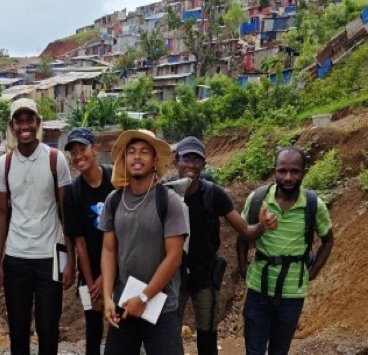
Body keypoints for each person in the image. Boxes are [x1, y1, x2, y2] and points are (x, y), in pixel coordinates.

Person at [173, 136, 275, 355]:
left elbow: (245, 231)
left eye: (197, 160)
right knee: (169, 335)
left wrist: (262, 226)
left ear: (204, 164)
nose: (191, 164)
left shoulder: (213, 194)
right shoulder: (166, 192)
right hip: (172, 276)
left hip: (204, 275)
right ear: (176, 161)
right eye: (186, 158)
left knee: (207, 333)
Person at [0, 98, 73, 355]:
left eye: (30, 120)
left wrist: (71, 259)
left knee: (49, 328)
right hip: (16, 257)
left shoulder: (55, 160)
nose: (24, 126)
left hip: (50, 256)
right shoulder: (5, 164)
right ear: (12, 126)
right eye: (19, 121)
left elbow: (65, 213)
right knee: (18, 330)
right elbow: (2, 213)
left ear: (38, 124)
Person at [98, 129, 188, 355]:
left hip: (160, 306)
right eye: (132, 152)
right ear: (124, 159)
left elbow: (174, 257)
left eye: (144, 152)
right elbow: (109, 250)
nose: (137, 157)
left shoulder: (168, 202)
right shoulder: (114, 200)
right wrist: (108, 297)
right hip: (124, 303)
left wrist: (144, 297)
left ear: (155, 160)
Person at [238, 147, 334, 355]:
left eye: (294, 171)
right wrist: (243, 268)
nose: (288, 177)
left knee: (280, 350)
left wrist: (313, 271)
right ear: (274, 171)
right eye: (282, 171)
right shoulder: (258, 200)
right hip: (258, 290)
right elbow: (243, 235)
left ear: (304, 172)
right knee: (253, 351)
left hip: (292, 294)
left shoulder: (313, 205)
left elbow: (327, 240)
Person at [62, 128, 115, 355]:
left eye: (82, 149)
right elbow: (79, 243)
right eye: (73, 152)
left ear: (95, 149)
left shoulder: (115, 180)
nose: (78, 156)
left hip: (119, 266)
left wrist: (107, 276)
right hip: (90, 271)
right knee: (93, 330)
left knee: (121, 327)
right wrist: (92, 284)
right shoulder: (73, 193)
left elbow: (124, 231)